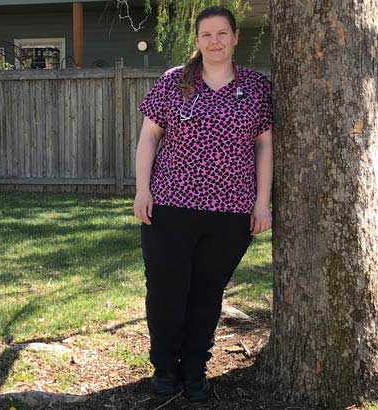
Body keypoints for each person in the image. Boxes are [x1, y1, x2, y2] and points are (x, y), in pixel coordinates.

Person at [133, 5, 273, 403]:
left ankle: (195, 370)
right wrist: (143, 190)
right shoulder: (174, 83)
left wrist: (262, 202)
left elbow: (264, 145)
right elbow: (149, 137)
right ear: (197, 41)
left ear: (234, 38)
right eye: (207, 35)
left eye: (222, 34)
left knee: (207, 294)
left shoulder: (256, 87)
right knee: (166, 290)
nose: (215, 41)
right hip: (171, 206)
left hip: (231, 212)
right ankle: (164, 370)